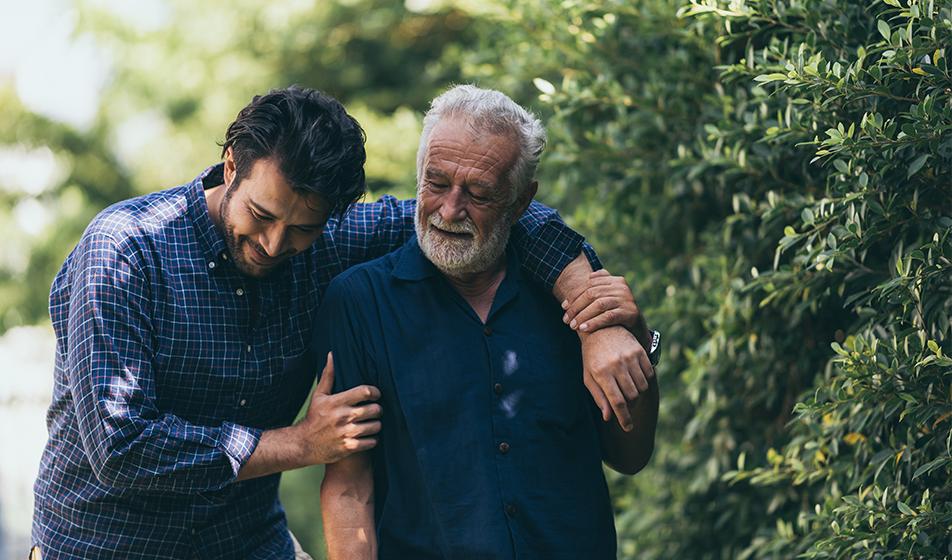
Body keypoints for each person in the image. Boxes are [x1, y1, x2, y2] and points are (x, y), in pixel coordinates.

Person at [31, 86, 650, 559]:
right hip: (102, 546)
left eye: (301, 228)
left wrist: (595, 316)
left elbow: (504, 217)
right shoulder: (123, 253)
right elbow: (121, 446)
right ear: (230, 166)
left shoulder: (333, 239)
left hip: (247, 546)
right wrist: (302, 442)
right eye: (261, 214)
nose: (275, 244)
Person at [317, 85, 660, 559]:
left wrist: (635, 345)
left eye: (479, 193)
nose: (450, 210)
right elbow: (350, 487)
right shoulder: (359, 300)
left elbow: (629, 456)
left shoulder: (575, 295)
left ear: (521, 202)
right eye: (436, 184)